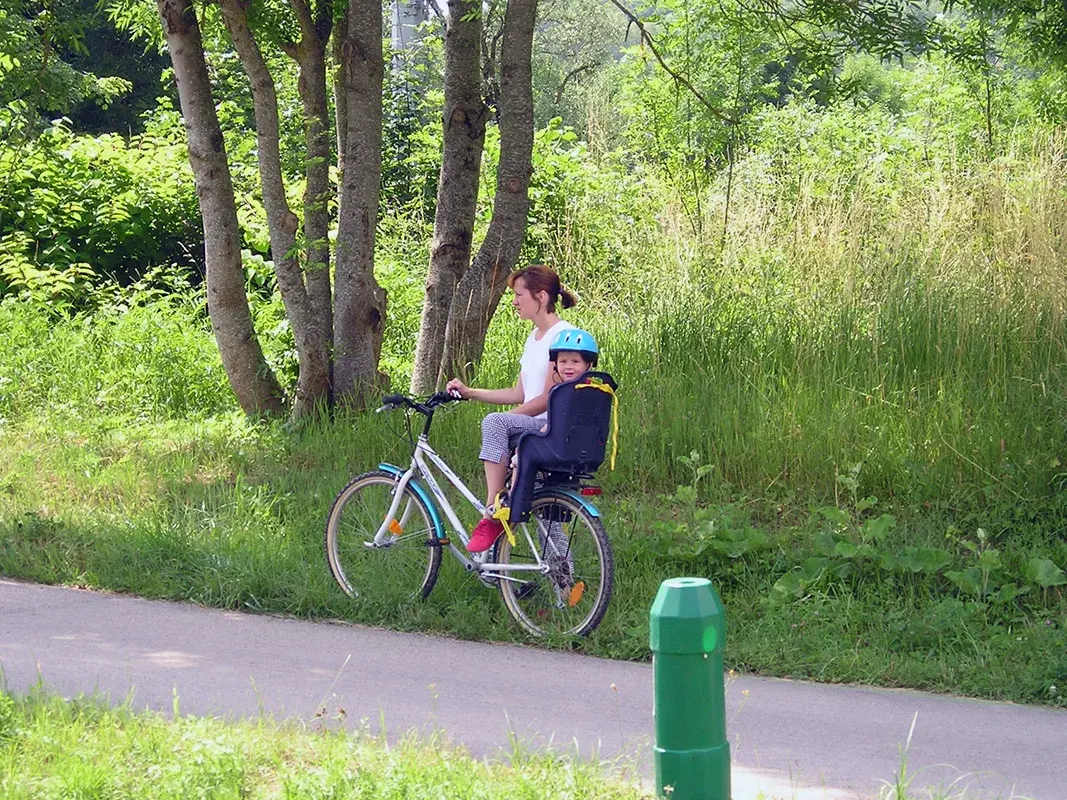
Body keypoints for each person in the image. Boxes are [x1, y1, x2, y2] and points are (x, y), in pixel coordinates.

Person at [445, 265, 576, 553]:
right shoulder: (534, 338)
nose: (514, 301)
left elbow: (547, 398)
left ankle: (492, 509)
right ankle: (562, 587)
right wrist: (471, 392)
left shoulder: (563, 337)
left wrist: (505, 419)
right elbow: (519, 393)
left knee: (494, 424)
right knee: (549, 519)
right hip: (532, 428)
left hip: (548, 428)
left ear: (541, 297)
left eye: (519, 295)